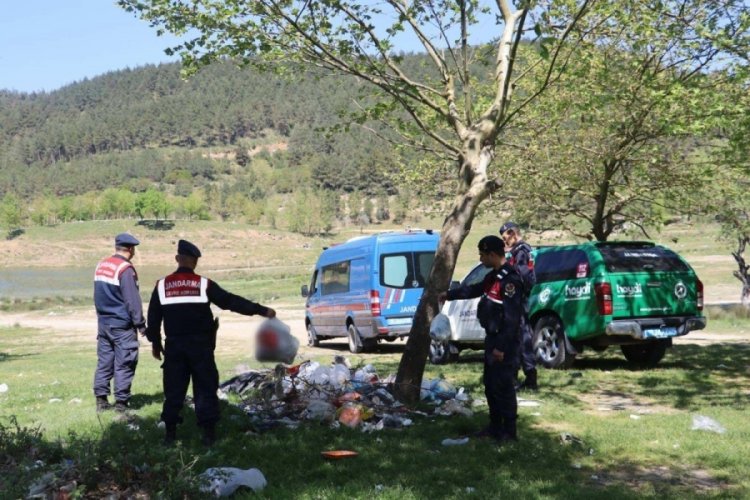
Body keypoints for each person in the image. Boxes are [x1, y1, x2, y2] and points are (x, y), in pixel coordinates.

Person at [145, 239, 276, 446]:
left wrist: (155, 342)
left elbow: (153, 318)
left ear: (178, 259)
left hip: (175, 347)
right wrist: (261, 310)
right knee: (205, 388)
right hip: (201, 347)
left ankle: (170, 435)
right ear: (194, 262)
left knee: (174, 390)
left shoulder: (161, 286)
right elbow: (230, 301)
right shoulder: (203, 284)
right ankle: (208, 435)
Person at [439, 235, 524, 442]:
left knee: (503, 386)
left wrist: (501, 348)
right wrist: (449, 295)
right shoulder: (492, 277)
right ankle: (495, 427)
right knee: (490, 385)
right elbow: (474, 289)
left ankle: (509, 432)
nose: (480, 258)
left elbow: (512, 319)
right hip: (492, 338)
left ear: (493, 254)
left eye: (482, 254)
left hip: (505, 342)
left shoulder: (510, 280)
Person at [93, 232, 146, 413]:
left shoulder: (102, 265)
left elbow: (97, 296)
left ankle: (101, 401)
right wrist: (141, 324)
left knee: (105, 362)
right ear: (130, 249)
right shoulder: (125, 269)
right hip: (121, 325)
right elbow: (132, 300)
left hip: (103, 323)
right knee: (125, 362)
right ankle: (121, 404)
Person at [499, 221, 538, 391]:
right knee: (519, 338)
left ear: (513, 233)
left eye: (505, 237)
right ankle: (519, 376)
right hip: (520, 300)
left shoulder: (520, 252)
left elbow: (522, 274)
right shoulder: (525, 250)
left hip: (518, 301)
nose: (504, 241)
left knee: (520, 339)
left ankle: (527, 377)